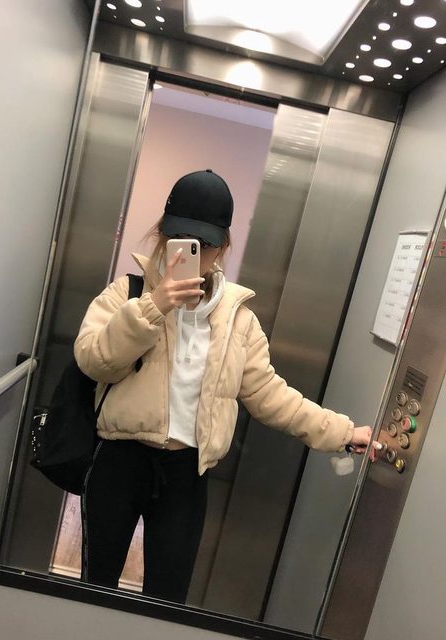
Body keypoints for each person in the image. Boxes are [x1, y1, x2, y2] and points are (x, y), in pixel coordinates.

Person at [74, 169, 379, 603]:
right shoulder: (126, 294)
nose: (194, 254)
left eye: (206, 244)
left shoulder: (239, 320)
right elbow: (93, 360)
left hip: (186, 474)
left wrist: (343, 432)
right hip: (118, 462)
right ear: (163, 235)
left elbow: (270, 395)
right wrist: (153, 307)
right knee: (94, 588)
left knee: (168, 600)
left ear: (223, 247)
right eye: (182, 239)